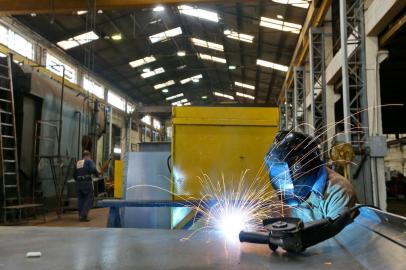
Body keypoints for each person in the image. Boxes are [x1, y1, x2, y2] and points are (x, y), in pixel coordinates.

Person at [265, 131, 357, 222]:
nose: (280, 178)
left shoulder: (339, 193)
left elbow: (337, 235)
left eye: (283, 172)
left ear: (301, 166)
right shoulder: (284, 190)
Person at [73, 150, 100, 222]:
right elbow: (93, 169)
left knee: (81, 199)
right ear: (88, 155)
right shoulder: (89, 161)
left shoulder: (78, 162)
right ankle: (83, 215)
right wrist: (97, 174)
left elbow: (74, 175)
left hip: (78, 183)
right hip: (86, 183)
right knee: (89, 198)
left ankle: (80, 215)